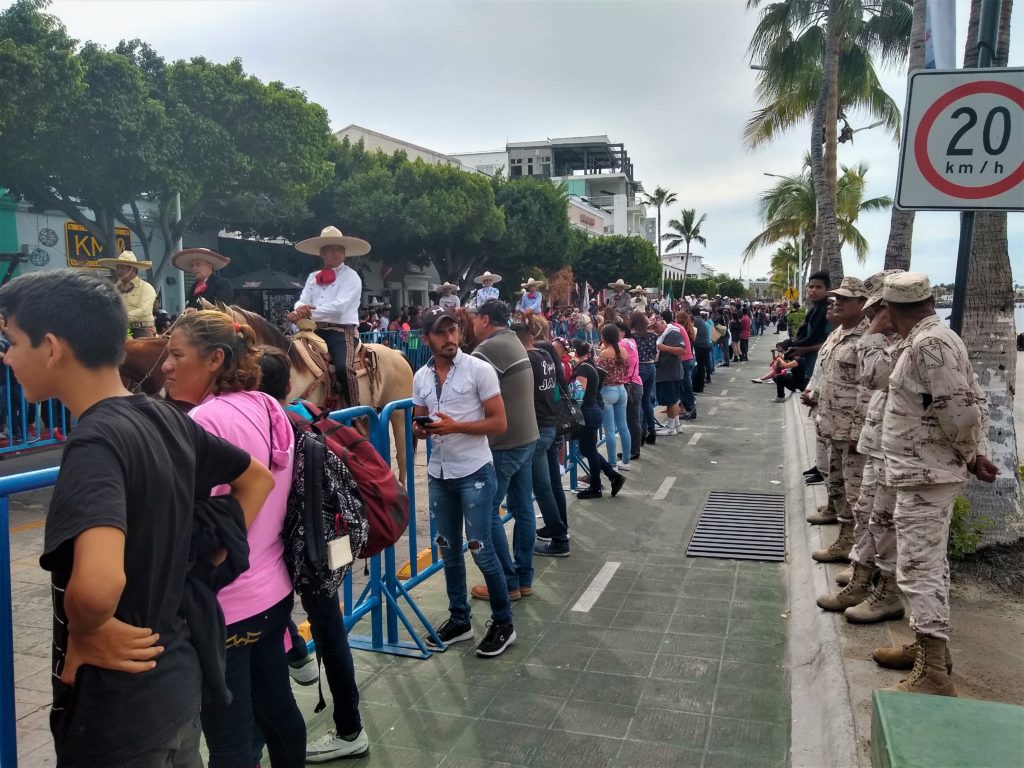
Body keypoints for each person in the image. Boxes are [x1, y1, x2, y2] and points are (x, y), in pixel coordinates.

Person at [0, 271, 274, 768]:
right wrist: (205, 563)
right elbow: (257, 480)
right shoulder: (164, 417)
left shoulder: (94, 443)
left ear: (53, 348)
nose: (6, 357)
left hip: (118, 712)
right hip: (176, 679)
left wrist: (88, 627)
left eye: (12, 342)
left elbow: (99, 586)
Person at [162, 311, 308, 767]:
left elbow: (205, 528)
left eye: (176, 354)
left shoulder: (204, 421)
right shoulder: (266, 405)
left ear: (215, 359)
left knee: (230, 740)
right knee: (278, 708)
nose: (164, 365)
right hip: (274, 589)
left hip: (228, 605)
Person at [871, 273, 996, 697]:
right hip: (921, 471)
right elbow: (969, 399)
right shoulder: (931, 338)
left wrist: (969, 453)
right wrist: (973, 453)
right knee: (927, 563)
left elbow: (960, 409)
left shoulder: (929, 343)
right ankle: (929, 648)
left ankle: (934, 674)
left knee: (918, 568)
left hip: (927, 474)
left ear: (890, 308)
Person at [255, 348, 368, 762]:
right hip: (322, 543)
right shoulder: (306, 409)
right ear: (288, 386)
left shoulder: (260, 426)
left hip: (294, 548)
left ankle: (345, 722)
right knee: (329, 626)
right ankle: (307, 665)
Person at [411, 306, 516, 657]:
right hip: (439, 474)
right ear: (426, 338)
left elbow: (499, 423)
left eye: (453, 330)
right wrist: (420, 429)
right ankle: (460, 619)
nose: (450, 338)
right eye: (441, 333)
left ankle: (504, 623)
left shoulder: (479, 370)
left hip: (474, 473)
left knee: (480, 549)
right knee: (447, 549)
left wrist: (457, 426)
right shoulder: (421, 377)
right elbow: (419, 420)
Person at [470, 300, 538, 605]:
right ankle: (523, 579)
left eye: (474, 318)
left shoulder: (487, 349)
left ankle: (507, 583)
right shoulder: (512, 339)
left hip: (506, 442)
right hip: (527, 437)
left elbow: (461, 384)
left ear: (485, 320)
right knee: (523, 507)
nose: (472, 324)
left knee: (488, 511)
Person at [801, 278, 869, 568]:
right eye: (836, 298)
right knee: (836, 481)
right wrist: (812, 393)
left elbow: (868, 389)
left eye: (845, 299)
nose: (837, 303)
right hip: (831, 423)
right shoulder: (838, 334)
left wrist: (858, 432)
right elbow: (826, 372)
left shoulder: (867, 339)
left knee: (855, 494)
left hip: (851, 431)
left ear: (863, 304)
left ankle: (849, 543)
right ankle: (844, 534)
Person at [289, 225, 371, 410]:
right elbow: (302, 300)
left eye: (338, 249)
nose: (334, 253)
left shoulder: (352, 277)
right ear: (322, 253)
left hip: (341, 332)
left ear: (344, 253)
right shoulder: (312, 277)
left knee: (343, 368)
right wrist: (298, 310)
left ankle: (354, 410)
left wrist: (308, 312)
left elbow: (340, 307)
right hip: (313, 331)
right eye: (330, 250)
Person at [511, 324, 570, 557]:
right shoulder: (544, 354)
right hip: (549, 425)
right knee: (549, 485)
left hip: (537, 428)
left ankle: (559, 538)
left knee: (541, 488)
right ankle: (559, 532)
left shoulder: (526, 360)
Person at [571, 339, 625, 500]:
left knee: (589, 450)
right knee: (588, 449)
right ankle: (612, 475)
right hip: (593, 410)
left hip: (588, 412)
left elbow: (578, 395)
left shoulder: (583, 369)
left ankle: (596, 486)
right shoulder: (590, 366)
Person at [595, 324, 632, 470]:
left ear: (604, 337)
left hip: (607, 392)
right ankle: (626, 461)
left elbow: (599, 374)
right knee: (623, 427)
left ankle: (612, 464)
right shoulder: (624, 351)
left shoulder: (604, 354)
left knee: (609, 430)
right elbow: (627, 369)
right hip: (622, 390)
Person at [98, 250, 158, 338]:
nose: (119, 271)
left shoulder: (146, 287)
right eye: (118, 268)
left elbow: (144, 310)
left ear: (133, 269)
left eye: (122, 268)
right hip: (126, 329)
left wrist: (121, 317)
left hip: (142, 329)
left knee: (141, 348)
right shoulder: (114, 289)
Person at [790, 272, 833, 379]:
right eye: (811, 287)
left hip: (823, 369)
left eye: (818, 287)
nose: (813, 290)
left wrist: (804, 350)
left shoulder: (829, 312)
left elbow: (831, 343)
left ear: (827, 290)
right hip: (811, 367)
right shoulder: (813, 312)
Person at [630, 312, 659, 446]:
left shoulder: (633, 336)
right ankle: (652, 431)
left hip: (639, 368)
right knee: (647, 401)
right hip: (651, 366)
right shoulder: (653, 335)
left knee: (638, 403)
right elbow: (655, 352)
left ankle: (640, 434)